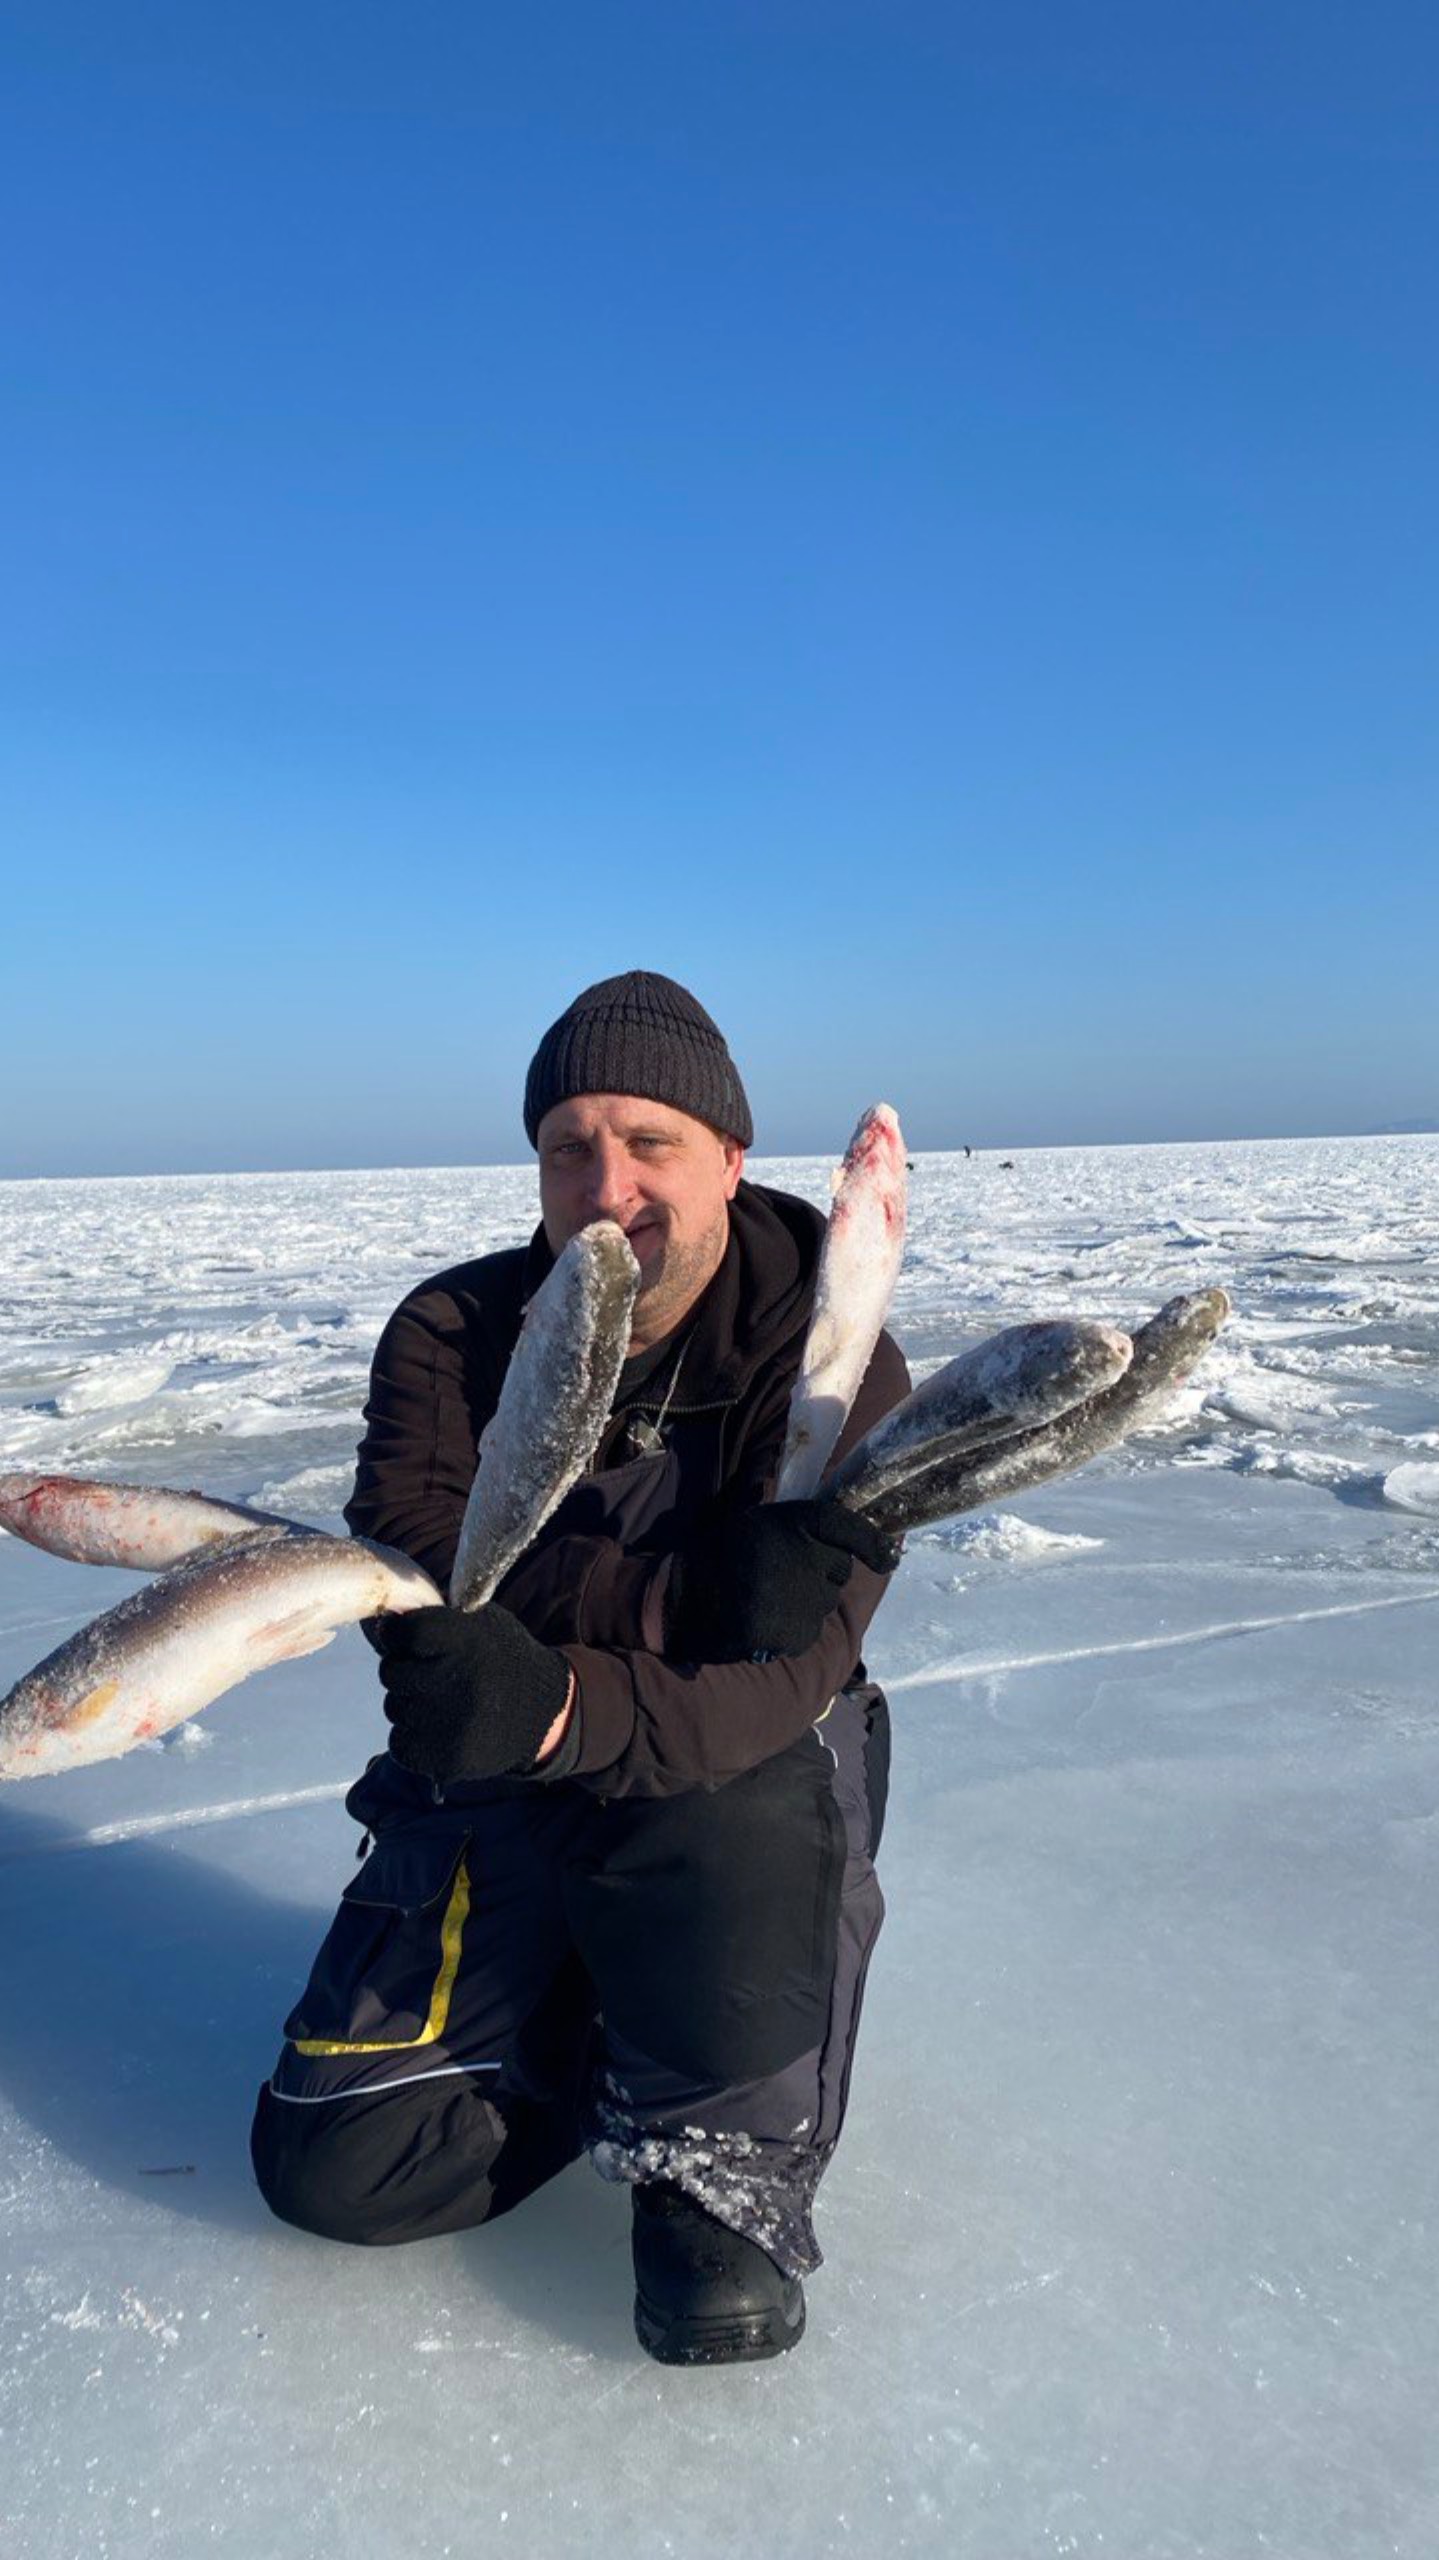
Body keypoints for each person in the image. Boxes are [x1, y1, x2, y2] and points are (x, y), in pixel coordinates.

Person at [251, 971, 909, 2365]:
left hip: (729, 1780)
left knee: (754, 1775)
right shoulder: (452, 1335)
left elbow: (785, 1670)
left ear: (732, 1158)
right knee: (337, 2165)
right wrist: (683, 1596)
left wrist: (554, 1684)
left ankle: (712, 2147)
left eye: (650, 1142)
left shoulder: (841, 1365)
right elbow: (427, 1581)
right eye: (568, 1147)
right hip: (497, 1765)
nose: (606, 1186)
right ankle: (597, 2041)